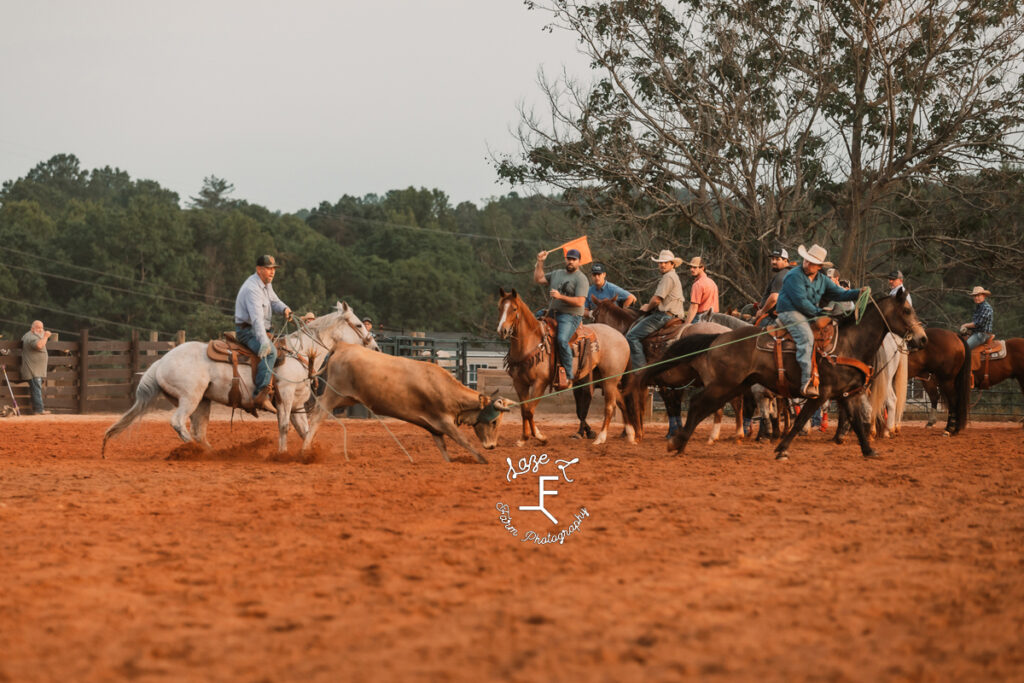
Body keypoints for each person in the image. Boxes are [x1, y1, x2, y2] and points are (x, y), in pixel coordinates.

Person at [775, 244, 863, 398]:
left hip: (807, 313)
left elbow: (839, 294)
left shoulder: (822, 279)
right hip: (789, 311)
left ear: (819, 266)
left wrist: (858, 293)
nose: (807, 264)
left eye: (812, 262)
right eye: (806, 260)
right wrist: (819, 313)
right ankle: (806, 382)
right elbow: (800, 302)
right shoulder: (793, 276)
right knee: (806, 337)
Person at [235, 254, 292, 411]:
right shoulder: (252, 289)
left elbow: (274, 301)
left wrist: (285, 308)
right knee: (271, 353)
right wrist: (264, 342)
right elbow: (256, 320)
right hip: (248, 331)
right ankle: (260, 395)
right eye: (268, 269)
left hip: (261, 328)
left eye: (273, 269)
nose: (272, 272)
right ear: (259, 269)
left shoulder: (266, 285)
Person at [534, 247, 589, 390]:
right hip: (552, 312)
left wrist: (560, 297)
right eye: (568, 258)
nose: (570, 261)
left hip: (570, 315)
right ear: (565, 259)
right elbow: (539, 279)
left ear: (579, 261)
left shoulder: (581, 278)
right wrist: (540, 262)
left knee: (562, 340)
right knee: (530, 326)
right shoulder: (557, 273)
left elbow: (580, 302)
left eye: (573, 259)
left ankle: (569, 375)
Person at [625, 250, 685, 371]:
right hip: (674, 315)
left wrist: (647, 307)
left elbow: (657, 299)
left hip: (664, 316)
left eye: (666, 262)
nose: (662, 265)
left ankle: (641, 372)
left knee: (631, 336)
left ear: (672, 264)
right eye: (660, 263)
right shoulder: (673, 276)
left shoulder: (668, 277)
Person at [754, 247, 793, 326]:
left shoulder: (781, 276)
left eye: (777, 259)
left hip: (773, 319)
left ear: (785, 260)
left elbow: (774, 298)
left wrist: (762, 311)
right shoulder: (788, 273)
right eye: (772, 259)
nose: (773, 262)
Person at [21, 320, 51, 414]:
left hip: (35, 369)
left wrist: (43, 336)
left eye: (42, 327)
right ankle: (39, 410)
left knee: (36, 389)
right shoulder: (32, 337)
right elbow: (39, 345)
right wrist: (46, 336)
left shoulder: (30, 335)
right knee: (36, 390)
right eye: (38, 327)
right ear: (32, 328)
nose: (41, 329)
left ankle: (38, 409)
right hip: (33, 370)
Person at [681, 256, 719, 325]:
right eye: (691, 267)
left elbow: (694, 307)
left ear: (702, 268)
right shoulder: (713, 283)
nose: (691, 269)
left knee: (683, 334)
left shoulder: (697, 284)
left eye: (695, 267)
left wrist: (685, 325)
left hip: (701, 318)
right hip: (715, 319)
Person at [960, 286, 994, 350]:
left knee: (964, 348)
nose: (976, 298)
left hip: (982, 335)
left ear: (984, 296)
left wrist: (965, 325)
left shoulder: (986, 308)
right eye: (974, 296)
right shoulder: (979, 307)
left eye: (978, 296)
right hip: (977, 333)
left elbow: (978, 324)